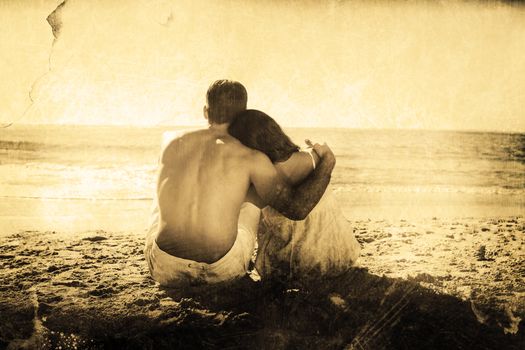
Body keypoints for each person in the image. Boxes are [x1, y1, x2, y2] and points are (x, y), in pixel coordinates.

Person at [144, 80, 336, 287]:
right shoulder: (251, 157)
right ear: (244, 113)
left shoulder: (170, 141)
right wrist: (327, 161)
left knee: (165, 195)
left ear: (206, 111)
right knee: (250, 196)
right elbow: (297, 209)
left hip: (165, 268)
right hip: (222, 269)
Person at [228, 109, 361, 281]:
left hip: (294, 267)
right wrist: (328, 159)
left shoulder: (262, 177)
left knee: (248, 212)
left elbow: (297, 210)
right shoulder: (314, 157)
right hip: (340, 255)